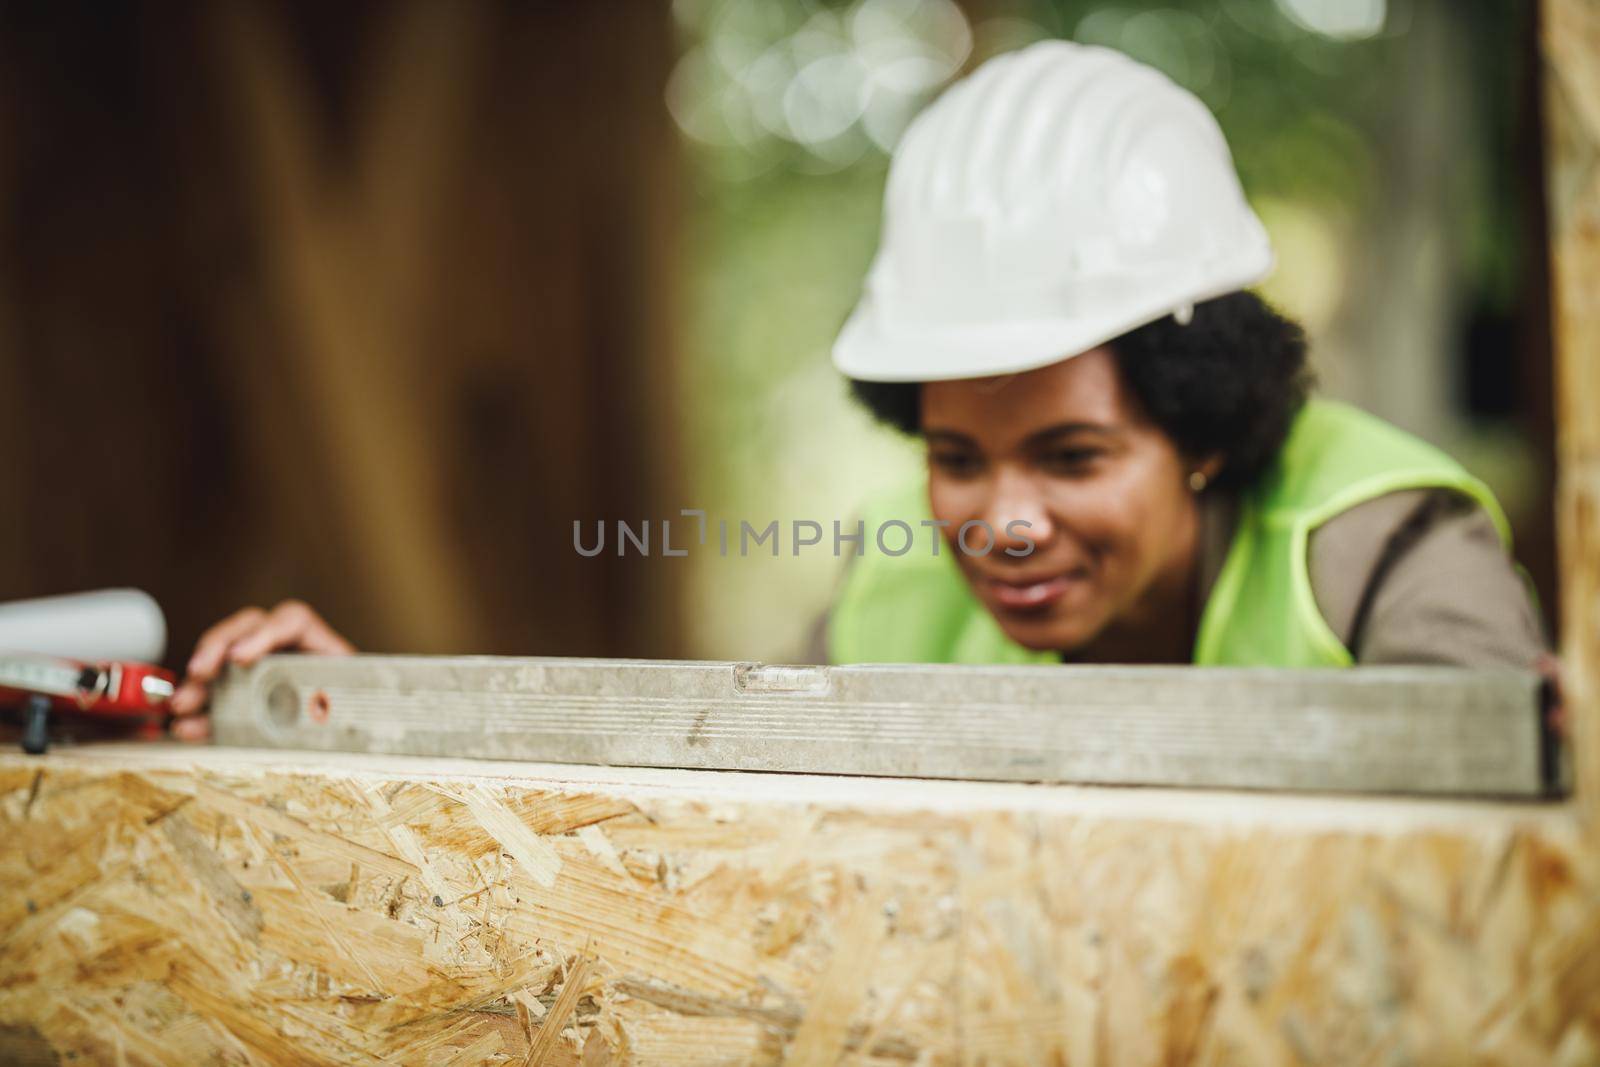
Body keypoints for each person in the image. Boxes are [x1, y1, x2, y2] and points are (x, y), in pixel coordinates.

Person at [167, 40, 1548, 743]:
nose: (1001, 521)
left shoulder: (1384, 556)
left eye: (1070, 459)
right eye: (958, 457)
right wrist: (380, 718)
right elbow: (673, 786)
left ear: (1205, 434)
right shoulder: (894, 597)